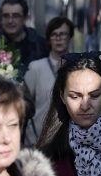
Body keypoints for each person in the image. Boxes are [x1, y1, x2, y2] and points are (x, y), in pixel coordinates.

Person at [23, 16, 73, 146]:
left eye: (62, 34)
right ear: (48, 39)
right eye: (54, 34)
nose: (58, 38)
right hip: (38, 139)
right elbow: (26, 104)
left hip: (71, 141)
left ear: (70, 37)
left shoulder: (80, 67)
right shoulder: (35, 67)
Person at [0, 0, 48, 78]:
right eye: (6, 16)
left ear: (25, 18)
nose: (10, 21)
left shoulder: (41, 45)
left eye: (15, 16)